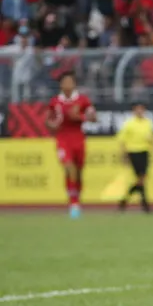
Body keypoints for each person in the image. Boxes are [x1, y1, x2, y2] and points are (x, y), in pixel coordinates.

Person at [45, 71, 97, 219]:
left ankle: (77, 199)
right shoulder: (55, 101)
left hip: (78, 138)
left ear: (74, 84)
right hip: (63, 138)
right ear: (61, 85)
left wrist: (80, 116)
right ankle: (73, 203)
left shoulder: (82, 100)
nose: (67, 84)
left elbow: (93, 117)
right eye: (65, 82)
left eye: (70, 82)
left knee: (78, 172)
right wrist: (51, 125)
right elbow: (48, 121)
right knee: (69, 168)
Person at [117, 102, 153, 213]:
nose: (140, 111)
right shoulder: (129, 124)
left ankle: (124, 201)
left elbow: (150, 136)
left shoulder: (147, 123)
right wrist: (124, 154)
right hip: (133, 152)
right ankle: (145, 205)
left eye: (141, 109)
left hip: (144, 151)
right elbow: (122, 140)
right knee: (141, 178)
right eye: (137, 109)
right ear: (134, 111)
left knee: (142, 179)